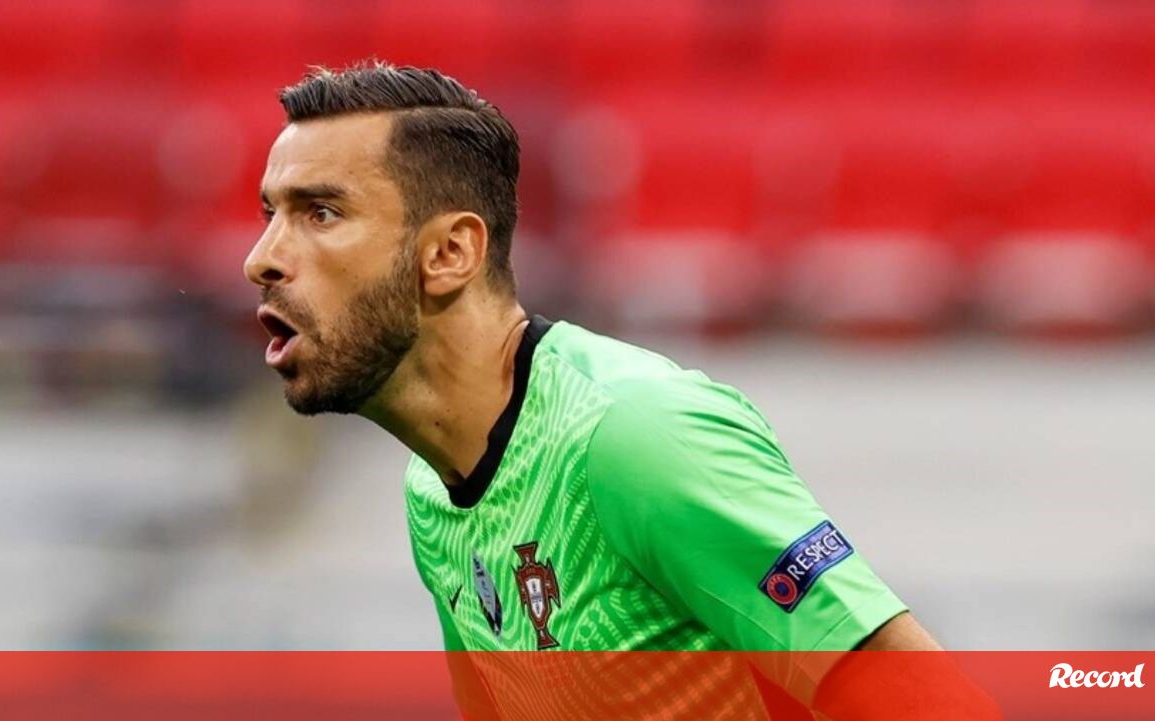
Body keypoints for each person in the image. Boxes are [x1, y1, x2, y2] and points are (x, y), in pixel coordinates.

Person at [244, 60, 995, 719]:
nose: (261, 259)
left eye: (321, 213)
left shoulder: (635, 435)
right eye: (271, 215)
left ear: (449, 252)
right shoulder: (432, 489)